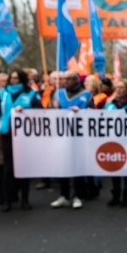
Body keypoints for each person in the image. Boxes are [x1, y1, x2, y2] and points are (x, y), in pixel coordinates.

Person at [0, 69, 42, 212]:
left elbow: (39, 111)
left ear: (21, 79)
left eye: (16, 78)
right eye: (11, 78)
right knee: (8, 168)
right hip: (7, 133)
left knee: (23, 168)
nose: (13, 81)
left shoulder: (31, 93)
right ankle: (7, 200)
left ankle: (25, 200)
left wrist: (26, 111)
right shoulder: (3, 93)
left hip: (24, 135)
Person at [50, 71, 92, 210]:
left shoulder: (86, 94)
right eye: (63, 79)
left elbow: (93, 114)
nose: (65, 81)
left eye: (67, 79)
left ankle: (77, 195)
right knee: (63, 165)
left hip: (79, 135)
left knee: (77, 165)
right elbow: (49, 114)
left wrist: (81, 111)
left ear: (76, 80)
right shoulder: (58, 93)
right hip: (62, 134)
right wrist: (53, 107)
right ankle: (64, 195)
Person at [105, 79, 127, 208]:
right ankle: (115, 195)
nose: (118, 90)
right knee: (115, 167)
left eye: (121, 88)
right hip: (113, 140)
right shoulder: (109, 105)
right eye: (117, 88)